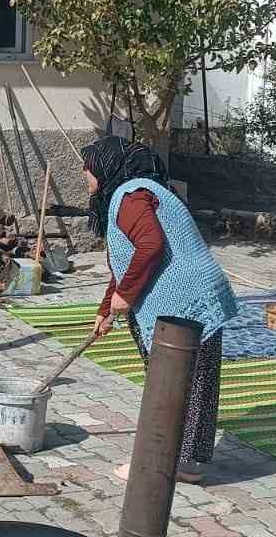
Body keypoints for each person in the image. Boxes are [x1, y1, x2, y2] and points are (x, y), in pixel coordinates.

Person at [83, 135, 238, 485]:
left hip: (184, 303)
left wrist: (126, 294)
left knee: (172, 383)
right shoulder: (136, 192)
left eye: (87, 167)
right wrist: (106, 308)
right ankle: (183, 462)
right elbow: (125, 261)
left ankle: (157, 464)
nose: (84, 174)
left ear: (106, 167)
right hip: (196, 296)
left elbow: (150, 245)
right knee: (191, 383)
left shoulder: (131, 196)